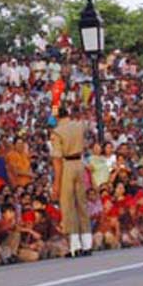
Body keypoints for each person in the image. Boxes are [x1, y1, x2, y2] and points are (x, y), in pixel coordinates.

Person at [51, 102, 91, 257]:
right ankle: (87, 243)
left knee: (68, 206)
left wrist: (56, 183)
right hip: (79, 163)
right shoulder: (79, 126)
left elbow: (56, 160)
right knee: (82, 204)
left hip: (67, 165)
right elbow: (87, 124)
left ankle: (75, 246)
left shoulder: (57, 132)